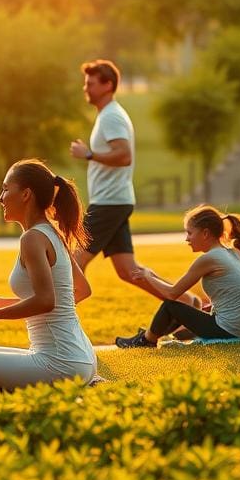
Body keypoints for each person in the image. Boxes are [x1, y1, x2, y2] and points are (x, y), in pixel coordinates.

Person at [0, 159, 97, 402]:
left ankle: (6, 394)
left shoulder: (32, 239)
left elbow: (46, 301)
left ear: (26, 194)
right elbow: (80, 291)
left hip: (61, 364)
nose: (0, 197)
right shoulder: (53, 233)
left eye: (5, 189)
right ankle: (45, 389)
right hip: (83, 359)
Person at [68, 59, 170, 300]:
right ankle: (188, 302)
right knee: (128, 270)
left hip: (109, 202)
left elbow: (124, 156)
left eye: (90, 83)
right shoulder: (108, 115)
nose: (85, 88)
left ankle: (62, 318)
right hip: (115, 200)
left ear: (108, 85)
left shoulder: (111, 117)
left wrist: (89, 155)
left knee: (73, 260)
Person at [116, 205, 240, 348]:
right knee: (183, 320)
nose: (187, 239)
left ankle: (145, 341)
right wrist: (224, 304)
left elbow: (172, 293)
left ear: (205, 233)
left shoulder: (210, 258)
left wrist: (148, 276)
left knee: (171, 307)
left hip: (228, 331)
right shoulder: (234, 253)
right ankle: (152, 334)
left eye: (190, 233)